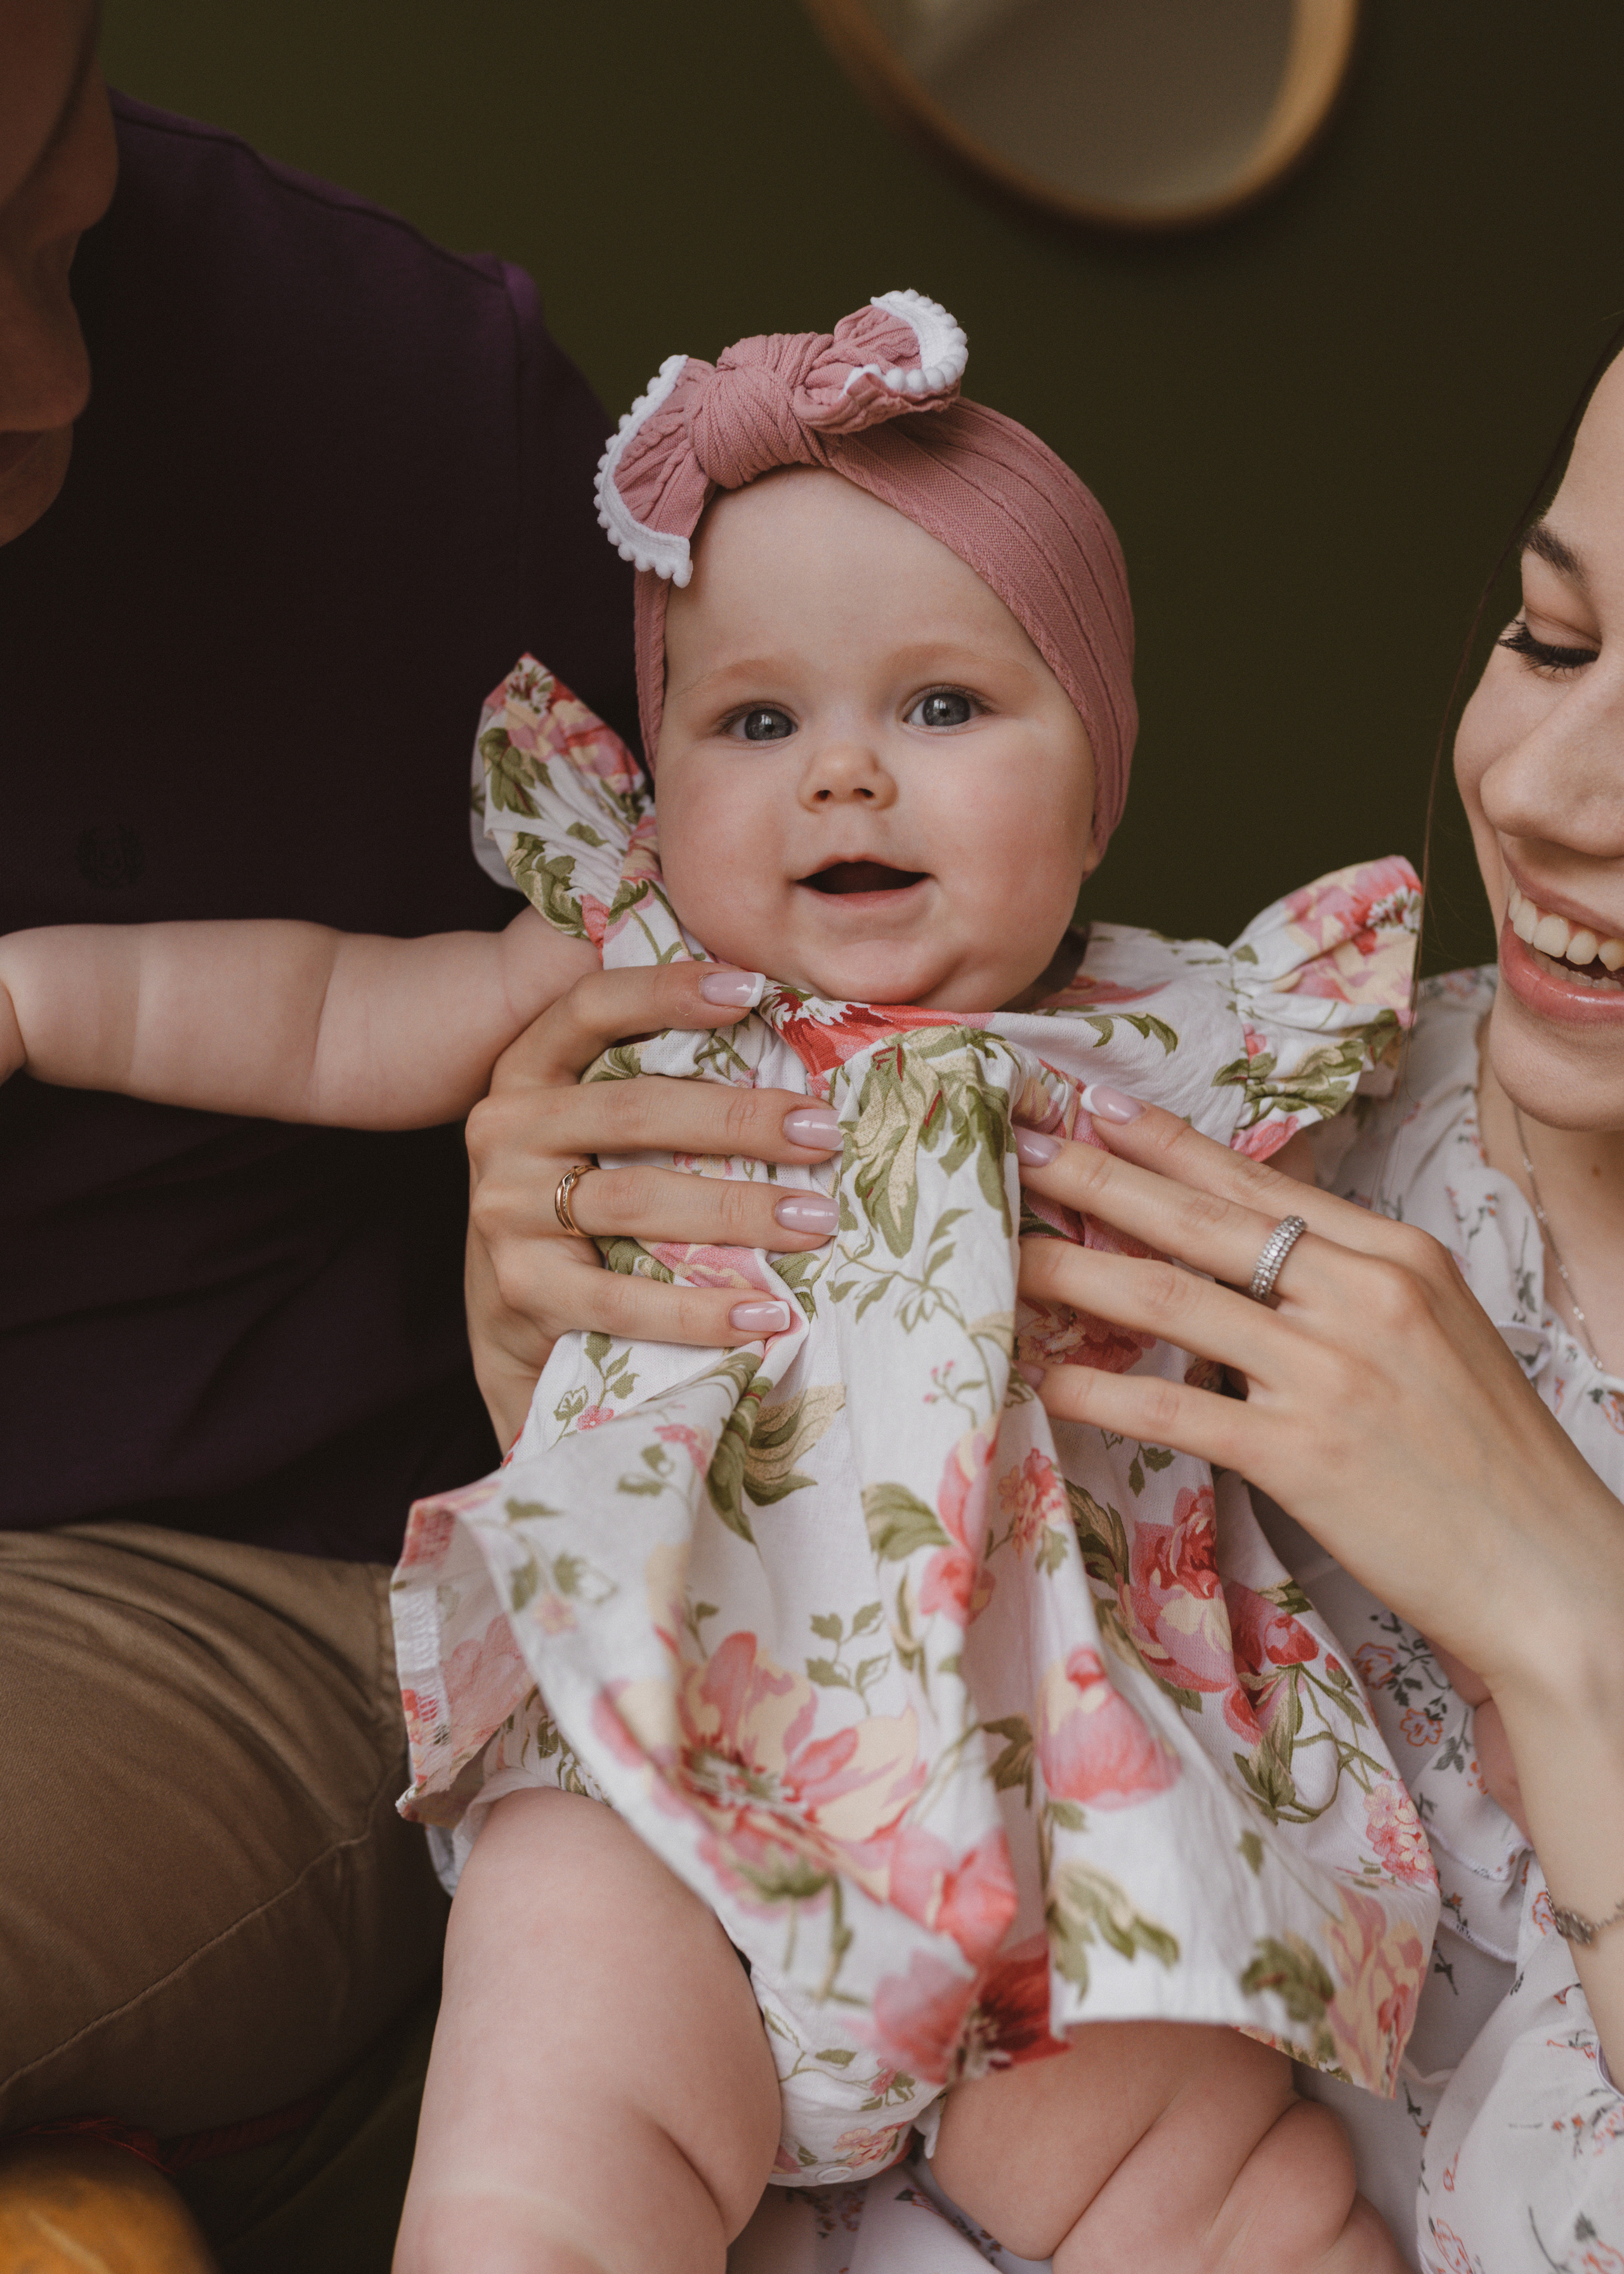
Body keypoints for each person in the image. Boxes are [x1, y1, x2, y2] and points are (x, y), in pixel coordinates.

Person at [3, 295, 1432, 2273]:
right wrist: (33, 991)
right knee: (536, 2190)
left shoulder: (1188, 1047)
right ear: (660, 779)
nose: (843, 780)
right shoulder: (632, 973)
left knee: (1233, 2208)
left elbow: (1390, 1335)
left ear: (1098, 784)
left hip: (1060, 1815)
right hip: (647, 1782)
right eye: (758, 722)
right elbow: (330, 1008)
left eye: (940, 709)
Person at [468, 355, 1624, 2274]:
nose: (1543, 788)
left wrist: (1578, 1633)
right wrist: (569, 1334)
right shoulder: (1241, 1117)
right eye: (1551, 634)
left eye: (940, 706)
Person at [0, 0, 636, 2169]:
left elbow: (732, 982)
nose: (44, 382)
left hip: (214, 1568)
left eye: (49, 202)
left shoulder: (409, 414)